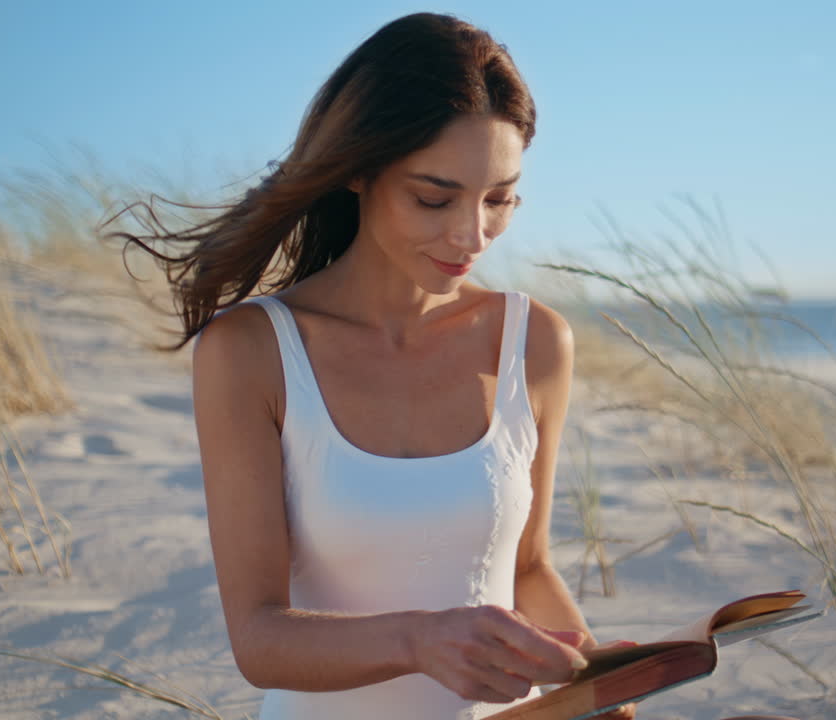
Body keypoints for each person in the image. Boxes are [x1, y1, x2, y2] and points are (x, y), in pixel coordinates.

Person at [111, 12, 636, 720]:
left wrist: (599, 688)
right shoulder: (252, 352)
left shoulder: (534, 340)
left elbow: (528, 568)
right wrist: (419, 639)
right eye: (434, 197)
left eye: (500, 199)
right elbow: (258, 637)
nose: (471, 234)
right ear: (358, 170)